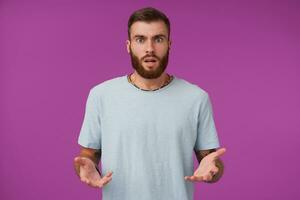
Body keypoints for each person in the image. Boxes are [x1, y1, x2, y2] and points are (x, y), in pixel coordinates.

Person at [74, 7, 226, 200]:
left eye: (158, 39)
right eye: (140, 39)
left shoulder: (196, 98)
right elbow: (88, 154)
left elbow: (210, 161)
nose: (150, 48)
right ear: (128, 45)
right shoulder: (101, 95)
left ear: (169, 44)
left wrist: (213, 169)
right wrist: (86, 166)